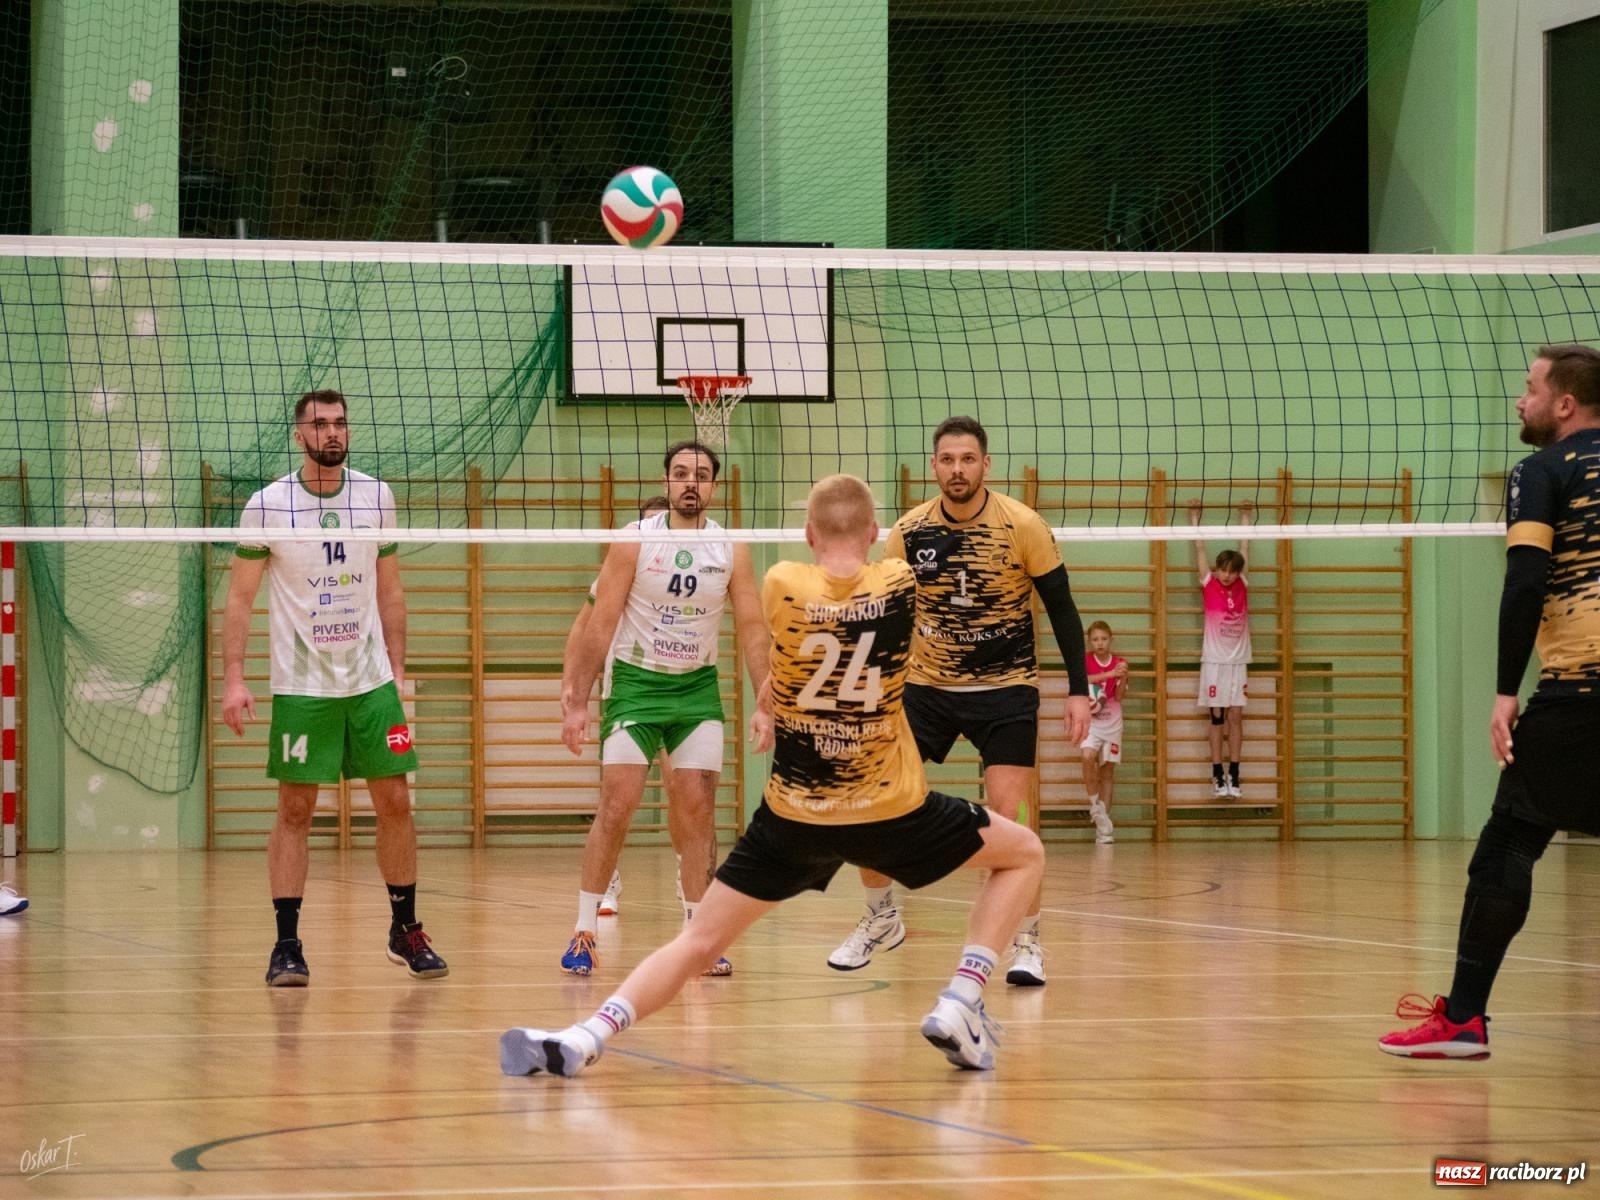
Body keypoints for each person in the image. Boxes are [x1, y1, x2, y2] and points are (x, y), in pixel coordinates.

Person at [501, 474, 1047, 1078]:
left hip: (795, 813)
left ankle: (586, 1036)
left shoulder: (783, 584)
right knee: (1022, 853)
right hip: (888, 806)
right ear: (873, 533)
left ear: (808, 533)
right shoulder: (899, 582)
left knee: (699, 944)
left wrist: (767, 703)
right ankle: (963, 997)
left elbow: (781, 649)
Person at [1380, 343, 1600, 1060]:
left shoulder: (1541, 473)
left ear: (1564, 403)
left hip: (1578, 698)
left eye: (1530, 388)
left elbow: (1526, 581)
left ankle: (1464, 1019)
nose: (1520, 400)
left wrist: (1505, 692)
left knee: (1507, 846)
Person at [826, 416, 1090, 988]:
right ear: (934, 465)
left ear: (985, 465)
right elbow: (882, 612)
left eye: (968, 459)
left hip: (1006, 689)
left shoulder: (1022, 525)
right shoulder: (909, 531)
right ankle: (880, 918)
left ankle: (1027, 942)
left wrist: (1078, 690)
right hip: (927, 689)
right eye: (947, 460)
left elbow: (1063, 611)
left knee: (1008, 816)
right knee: (869, 797)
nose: (957, 470)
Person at [221, 388, 447, 987]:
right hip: (302, 684)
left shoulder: (376, 496)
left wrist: (398, 672)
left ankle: (406, 929)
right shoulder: (268, 505)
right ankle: (287, 944)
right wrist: (235, 679)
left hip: (370, 681)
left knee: (396, 801)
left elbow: (391, 590)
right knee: (296, 808)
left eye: (340, 423)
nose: (332, 433)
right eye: (320, 425)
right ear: (300, 435)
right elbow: (240, 600)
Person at [557, 441, 769, 977]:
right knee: (617, 805)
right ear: (667, 482)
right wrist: (577, 703)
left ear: (714, 487)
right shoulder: (633, 542)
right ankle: (584, 931)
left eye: (700, 474)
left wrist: (766, 701)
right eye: (680, 474)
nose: (689, 482)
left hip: (696, 690)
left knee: (698, 808)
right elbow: (598, 624)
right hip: (635, 685)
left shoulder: (731, 548)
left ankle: (699, 937)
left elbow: (751, 629)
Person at [563, 494, 672, 918]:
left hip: (681, 688)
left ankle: (691, 888)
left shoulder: (701, 561)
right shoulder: (622, 562)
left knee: (687, 796)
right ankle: (606, 885)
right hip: (626, 690)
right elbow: (583, 625)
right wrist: (572, 688)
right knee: (616, 799)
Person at [1189, 499, 1254, 799]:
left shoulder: (1242, 582)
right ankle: (1217, 774)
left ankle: (1235, 774)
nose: (1226, 576)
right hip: (1214, 661)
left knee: (1236, 718)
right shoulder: (1208, 582)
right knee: (1216, 718)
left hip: (1238, 661)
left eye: (1231, 571)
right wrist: (1194, 517)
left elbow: (1245, 547)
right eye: (1222, 571)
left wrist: (1245, 516)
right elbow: (1200, 549)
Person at [1082, 620, 1129, 844]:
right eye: (1095, 639)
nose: (1100, 643)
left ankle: (1104, 826)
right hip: (1091, 720)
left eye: (1103, 639)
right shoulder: (1085, 661)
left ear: (1110, 639)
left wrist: (1123, 677)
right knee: (1087, 756)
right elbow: (1084, 681)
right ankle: (1095, 807)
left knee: (1107, 771)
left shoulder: (1120, 663)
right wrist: (1109, 674)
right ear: (1090, 642)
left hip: (1112, 718)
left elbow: (1119, 697)